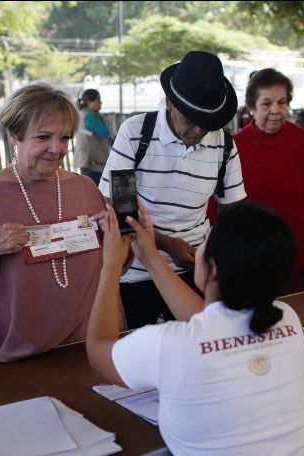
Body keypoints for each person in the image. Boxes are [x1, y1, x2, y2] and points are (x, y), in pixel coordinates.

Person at [86, 202, 304, 456]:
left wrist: (110, 267)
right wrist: (150, 257)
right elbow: (209, 322)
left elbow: (98, 350)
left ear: (211, 268)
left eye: (204, 240)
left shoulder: (173, 344)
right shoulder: (286, 318)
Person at [0, 83, 121, 367]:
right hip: (16, 353)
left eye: (65, 138)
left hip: (85, 343)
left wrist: (116, 233)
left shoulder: (84, 189)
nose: (57, 149)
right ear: (14, 136)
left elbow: (114, 261)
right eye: (43, 137)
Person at [98, 51, 246, 328]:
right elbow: (119, 207)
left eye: (208, 122)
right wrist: (166, 245)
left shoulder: (225, 145)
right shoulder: (135, 133)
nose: (199, 129)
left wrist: (211, 253)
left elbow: (232, 210)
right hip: (136, 273)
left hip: (196, 271)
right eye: (191, 118)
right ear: (169, 101)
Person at [234, 68, 304, 293]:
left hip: (302, 253)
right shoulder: (236, 146)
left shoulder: (301, 139)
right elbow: (221, 203)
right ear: (251, 108)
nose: (276, 111)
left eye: (282, 103)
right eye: (266, 103)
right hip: (254, 259)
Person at [74, 88, 111, 185]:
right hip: (94, 162)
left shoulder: (81, 114)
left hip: (86, 160)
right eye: (98, 99)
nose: (101, 102)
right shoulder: (90, 116)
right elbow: (104, 133)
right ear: (89, 102)